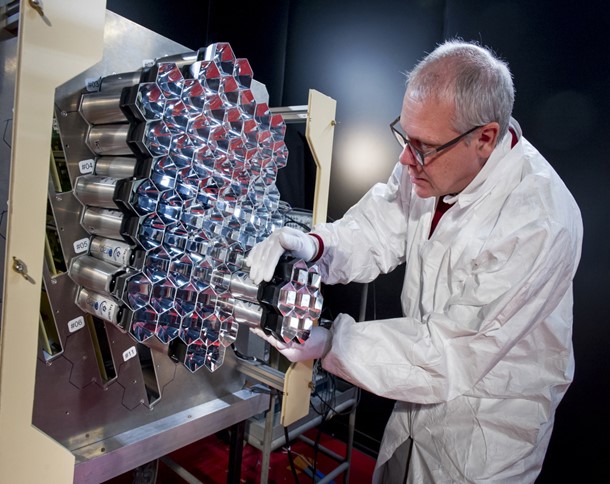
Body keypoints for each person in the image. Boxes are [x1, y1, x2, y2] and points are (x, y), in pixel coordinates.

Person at [246, 39, 583, 483]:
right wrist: (316, 246)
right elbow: (379, 227)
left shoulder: (539, 222)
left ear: (485, 137)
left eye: (422, 146)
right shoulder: (431, 163)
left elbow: (449, 351)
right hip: (415, 398)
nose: (406, 158)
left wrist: (331, 344)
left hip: (484, 433)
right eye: (404, 135)